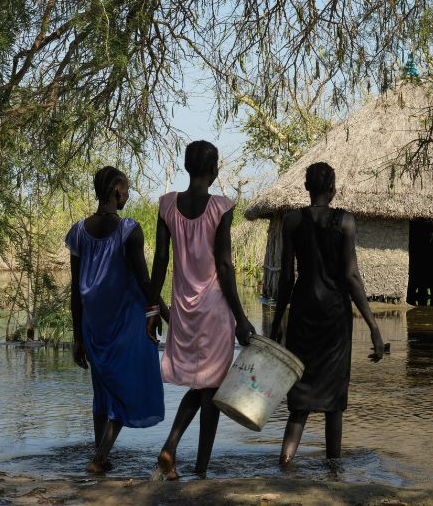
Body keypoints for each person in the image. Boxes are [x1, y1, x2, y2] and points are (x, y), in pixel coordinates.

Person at [151, 141, 255, 480]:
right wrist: (241, 317)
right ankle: (196, 466)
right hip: (214, 309)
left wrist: (153, 307)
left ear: (186, 167)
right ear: (214, 170)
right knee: (211, 389)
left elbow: (161, 262)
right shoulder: (221, 207)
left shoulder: (167, 205)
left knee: (203, 388)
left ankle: (176, 453)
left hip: (182, 309)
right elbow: (224, 266)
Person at [270, 161, 385, 465]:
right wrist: (372, 326)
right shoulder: (345, 222)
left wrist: (278, 319)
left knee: (299, 401)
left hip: (302, 315)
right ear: (333, 189)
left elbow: (286, 278)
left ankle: (285, 463)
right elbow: (351, 276)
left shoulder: (292, 222)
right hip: (334, 316)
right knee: (334, 402)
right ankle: (334, 474)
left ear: (307, 188)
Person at [66, 166, 165, 474]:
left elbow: (75, 290)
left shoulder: (78, 232)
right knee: (128, 389)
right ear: (115, 191)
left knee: (103, 392)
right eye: (126, 188)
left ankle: (102, 455)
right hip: (126, 325)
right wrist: (163, 312)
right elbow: (145, 281)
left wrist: (78, 336)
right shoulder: (129, 230)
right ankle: (99, 459)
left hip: (93, 327)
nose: (128, 194)